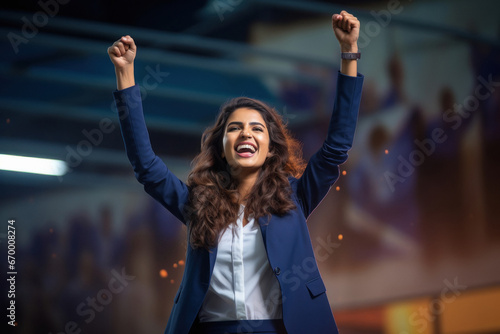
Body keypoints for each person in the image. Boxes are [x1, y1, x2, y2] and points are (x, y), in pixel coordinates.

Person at [108, 10, 363, 334]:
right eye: (235, 128)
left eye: (256, 128)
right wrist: (126, 75)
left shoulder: (295, 196)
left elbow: (336, 148)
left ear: (270, 147)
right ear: (221, 146)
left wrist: (349, 53)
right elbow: (146, 166)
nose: (245, 133)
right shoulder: (196, 203)